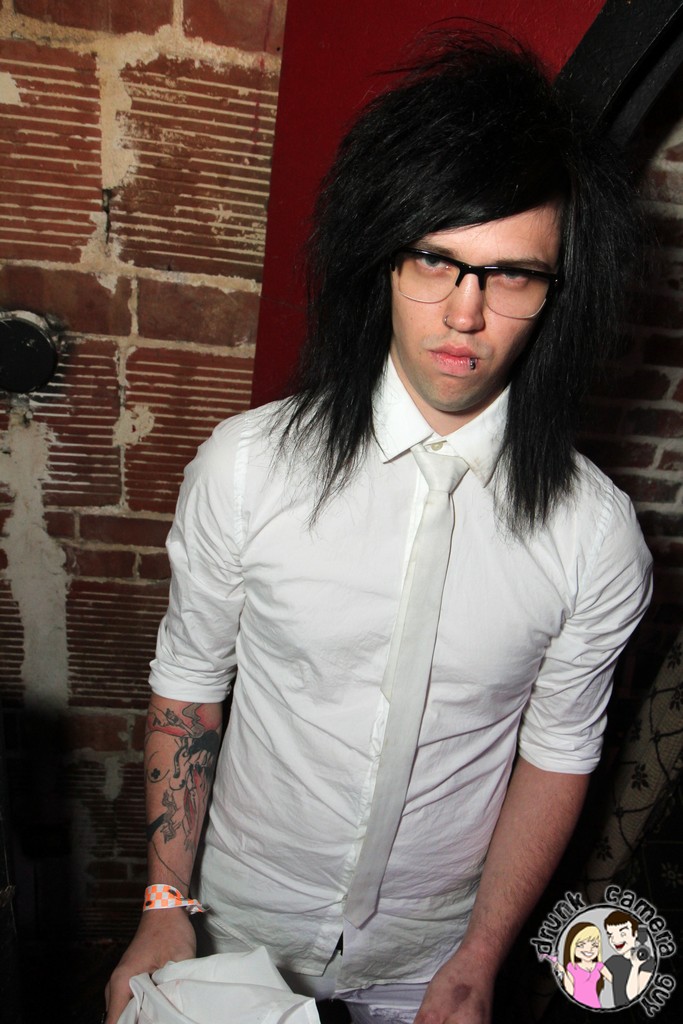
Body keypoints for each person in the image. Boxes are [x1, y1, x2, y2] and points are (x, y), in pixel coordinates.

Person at [105, 30, 653, 1024]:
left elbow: (557, 752)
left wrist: (482, 956)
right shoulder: (248, 469)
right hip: (237, 921)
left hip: (433, 947)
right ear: (383, 255)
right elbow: (190, 685)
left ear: (557, 293)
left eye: (512, 275)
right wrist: (164, 902)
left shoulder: (594, 537)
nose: (464, 314)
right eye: (434, 259)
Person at [604, 911, 656, 1005]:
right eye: (610, 935)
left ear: (635, 934)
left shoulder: (648, 962)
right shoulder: (613, 961)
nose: (615, 940)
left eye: (623, 934)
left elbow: (633, 996)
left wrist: (635, 966)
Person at [560, 921, 612, 1009]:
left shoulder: (599, 966)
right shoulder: (572, 967)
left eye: (595, 945)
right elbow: (570, 991)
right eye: (581, 945)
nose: (589, 949)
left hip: (595, 1006)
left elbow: (614, 981)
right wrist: (563, 972)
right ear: (572, 946)